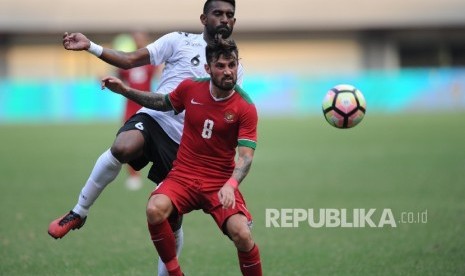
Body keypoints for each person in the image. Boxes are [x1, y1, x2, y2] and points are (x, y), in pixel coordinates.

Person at [47, 1, 242, 275]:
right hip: (154, 118)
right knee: (122, 147)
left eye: (230, 15)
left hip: (185, 146)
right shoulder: (178, 41)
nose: (224, 19)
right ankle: (79, 211)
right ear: (203, 18)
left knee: (170, 219)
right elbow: (130, 59)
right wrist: (91, 46)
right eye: (218, 13)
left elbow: (227, 116)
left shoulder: (232, 68)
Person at [102, 37, 262, 276]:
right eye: (221, 66)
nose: (228, 71)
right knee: (154, 209)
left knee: (242, 233)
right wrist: (125, 91)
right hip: (183, 175)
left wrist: (231, 184)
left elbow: (246, 157)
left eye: (232, 65)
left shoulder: (245, 107)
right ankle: (176, 273)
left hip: (219, 181)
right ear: (208, 69)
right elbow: (162, 102)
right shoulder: (191, 88)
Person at [115, 31, 159, 190]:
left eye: (141, 39)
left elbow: (160, 75)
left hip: (147, 106)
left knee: (156, 142)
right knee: (127, 142)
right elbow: (118, 75)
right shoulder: (126, 62)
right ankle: (134, 176)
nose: (138, 41)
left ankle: (160, 177)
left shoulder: (151, 62)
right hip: (130, 107)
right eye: (136, 39)